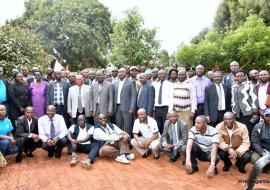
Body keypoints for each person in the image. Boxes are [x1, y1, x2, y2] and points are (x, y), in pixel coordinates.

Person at [232, 69, 258, 137]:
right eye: (237, 76)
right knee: (239, 132)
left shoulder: (250, 85)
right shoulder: (233, 86)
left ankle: (250, 147)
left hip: (248, 113)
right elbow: (233, 100)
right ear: (235, 77)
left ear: (245, 76)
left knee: (248, 132)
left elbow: (254, 99)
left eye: (241, 76)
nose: (239, 78)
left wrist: (255, 113)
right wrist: (233, 111)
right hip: (237, 114)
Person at [114, 68, 137, 136]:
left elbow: (134, 95)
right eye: (120, 72)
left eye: (123, 72)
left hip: (127, 108)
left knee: (128, 125)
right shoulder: (115, 82)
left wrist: (132, 108)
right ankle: (120, 141)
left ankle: (128, 142)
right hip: (117, 107)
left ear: (126, 73)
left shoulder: (131, 82)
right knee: (118, 125)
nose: (121, 73)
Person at [153, 69, 173, 134]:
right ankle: (159, 140)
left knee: (166, 125)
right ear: (158, 75)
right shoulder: (155, 84)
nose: (161, 75)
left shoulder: (169, 84)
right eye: (159, 74)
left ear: (166, 74)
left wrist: (169, 111)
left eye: (162, 74)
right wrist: (153, 109)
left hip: (165, 108)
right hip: (157, 108)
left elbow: (171, 98)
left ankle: (165, 140)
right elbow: (154, 97)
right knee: (158, 125)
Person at [251, 108, 270, 174]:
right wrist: (263, 152)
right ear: (263, 116)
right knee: (254, 159)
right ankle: (266, 167)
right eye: (267, 116)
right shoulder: (258, 126)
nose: (269, 118)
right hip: (263, 149)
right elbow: (255, 142)